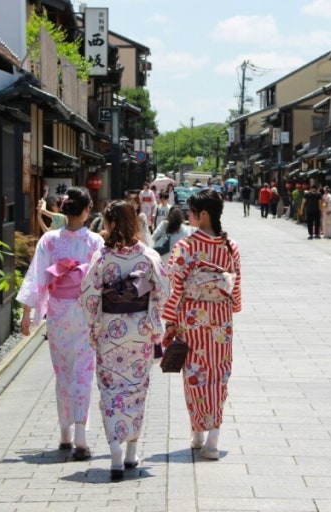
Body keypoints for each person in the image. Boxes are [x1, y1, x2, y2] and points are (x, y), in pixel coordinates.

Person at [81, 201, 170, 480]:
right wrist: (150, 310)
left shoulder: (102, 257)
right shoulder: (148, 256)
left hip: (110, 330)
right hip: (140, 331)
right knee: (136, 388)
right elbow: (164, 290)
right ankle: (132, 451)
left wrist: (94, 324)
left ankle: (115, 450)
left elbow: (88, 296)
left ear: (109, 224)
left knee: (110, 390)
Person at [17, 186, 105, 462]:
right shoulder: (95, 242)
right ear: (87, 210)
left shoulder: (50, 240)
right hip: (85, 313)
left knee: (63, 372)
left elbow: (37, 277)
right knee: (83, 374)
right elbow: (101, 281)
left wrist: (28, 313)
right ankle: (80, 437)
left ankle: (65, 434)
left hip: (58, 313)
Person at [163, 189, 242, 460]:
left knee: (194, 373)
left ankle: (198, 431)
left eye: (193, 211)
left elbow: (176, 285)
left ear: (204, 214)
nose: (189, 215)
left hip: (193, 318)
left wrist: (170, 320)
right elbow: (235, 285)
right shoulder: (230, 246)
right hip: (221, 318)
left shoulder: (186, 247)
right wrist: (233, 306)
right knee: (219, 373)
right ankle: (212, 437)